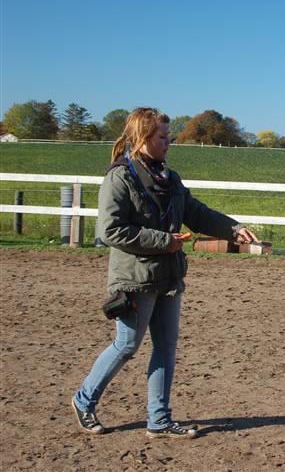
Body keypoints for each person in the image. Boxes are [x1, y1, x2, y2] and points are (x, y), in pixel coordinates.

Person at [72, 107, 258, 439]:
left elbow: (196, 212)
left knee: (166, 347)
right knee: (126, 345)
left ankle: (159, 419)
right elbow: (111, 230)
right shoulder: (120, 178)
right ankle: (84, 400)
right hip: (134, 278)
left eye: (168, 136)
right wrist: (163, 240)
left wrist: (233, 229)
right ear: (142, 138)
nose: (168, 142)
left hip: (168, 277)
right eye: (162, 136)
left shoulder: (169, 179)